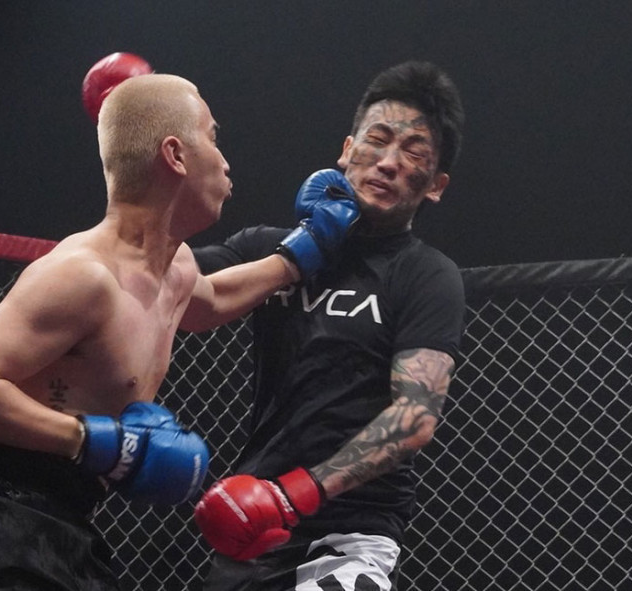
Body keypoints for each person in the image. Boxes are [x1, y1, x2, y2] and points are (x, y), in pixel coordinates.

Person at [0, 72, 359, 590]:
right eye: (213, 137)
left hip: (65, 525)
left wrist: (303, 251)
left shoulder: (177, 268)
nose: (225, 160)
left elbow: (212, 301)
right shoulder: (83, 276)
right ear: (175, 155)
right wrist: (94, 441)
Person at [192, 60, 466, 591]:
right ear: (346, 149)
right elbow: (169, 284)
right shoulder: (267, 250)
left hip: (348, 535)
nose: (388, 162)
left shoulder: (426, 275)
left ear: (435, 185)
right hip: (254, 526)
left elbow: (415, 415)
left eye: (414, 154)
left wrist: (295, 493)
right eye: (377, 140)